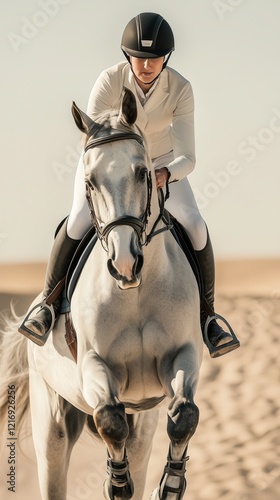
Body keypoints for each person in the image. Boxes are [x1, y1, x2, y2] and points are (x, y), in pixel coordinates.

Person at [19, 12, 239, 357]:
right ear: (127, 56)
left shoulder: (181, 89)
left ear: (166, 58)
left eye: (154, 58)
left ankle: (209, 317)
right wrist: (117, 168)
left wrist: (166, 174)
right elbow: (92, 135)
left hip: (159, 166)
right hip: (108, 163)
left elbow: (188, 156)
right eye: (139, 57)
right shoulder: (109, 80)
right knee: (78, 219)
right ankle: (47, 305)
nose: (146, 65)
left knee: (196, 225)